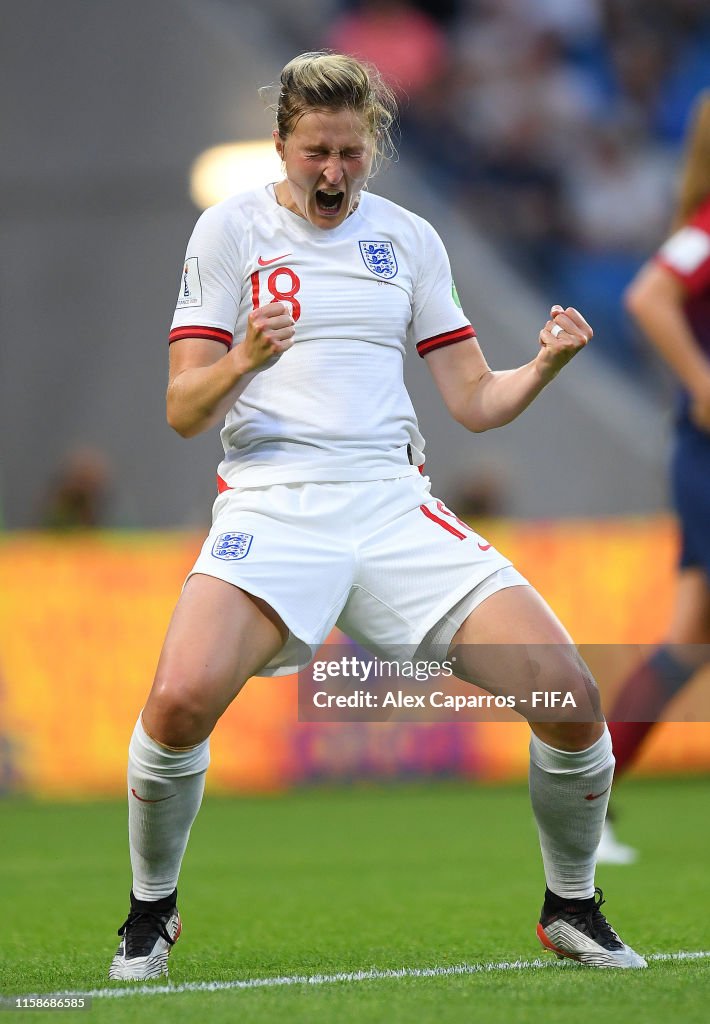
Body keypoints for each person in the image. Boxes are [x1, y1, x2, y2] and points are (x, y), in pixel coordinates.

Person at [108, 51, 645, 980]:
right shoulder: (228, 231)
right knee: (180, 701)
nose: (332, 173)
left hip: (395, 504)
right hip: (274, 503)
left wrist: (545, 365)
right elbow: (182, 409)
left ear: (372, 149)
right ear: (281, 143)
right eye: (316, 151)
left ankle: (572, 906)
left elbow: (473, 399)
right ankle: (150, 915)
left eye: (351, 154)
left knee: (569, 698)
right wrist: (242, 361)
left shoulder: (408, 239)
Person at [599, 90, 710, 865]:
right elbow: (647, 295)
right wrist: (702, 383)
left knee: (691, 637)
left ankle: (581, 800)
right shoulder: (705, 232)